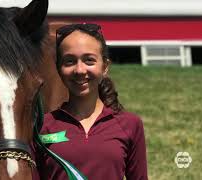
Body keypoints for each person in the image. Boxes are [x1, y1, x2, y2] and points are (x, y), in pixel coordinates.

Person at [32, 23, 148, 180]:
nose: (79, 70)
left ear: (105, 66)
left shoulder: (130, 124)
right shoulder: (41, 127)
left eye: (89, 60)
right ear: (59, 68)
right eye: (69, 61)